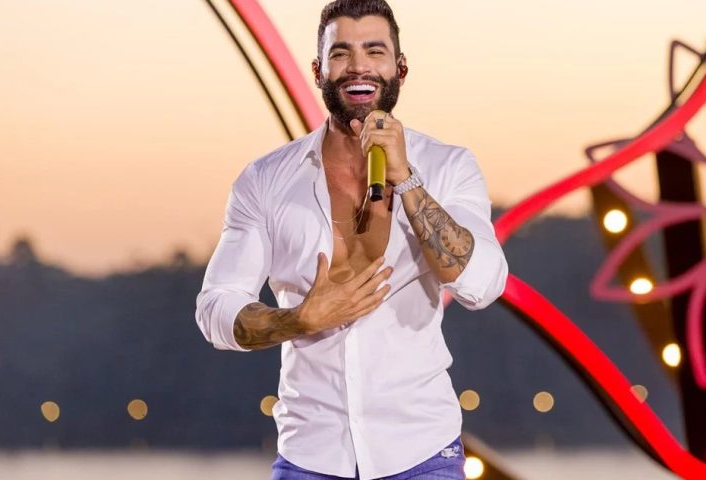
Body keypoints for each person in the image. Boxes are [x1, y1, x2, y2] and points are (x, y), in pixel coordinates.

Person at [195, 1, 508, 478]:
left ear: (400, 68)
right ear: (318, 71)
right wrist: (299, 319)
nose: (359, 66)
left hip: (420, 451)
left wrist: (406, 178)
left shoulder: (449, 167)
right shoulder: (265, 181)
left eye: (374, 51)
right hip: (310, 455)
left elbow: (482, 284)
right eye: (341, 53)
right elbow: (216, 307)